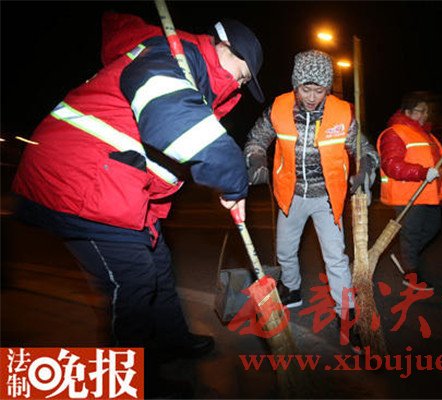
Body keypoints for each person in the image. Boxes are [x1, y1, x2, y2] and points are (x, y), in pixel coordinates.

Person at [11, 11, 264, 395]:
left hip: (116, 182)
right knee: (134, 282)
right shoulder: (174, 56)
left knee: (158, 264)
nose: (239, 85)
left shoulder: (197, 78)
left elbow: (159, 165)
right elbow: (170, 118)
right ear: (223, 46)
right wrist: (233, 181)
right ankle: (133, 383)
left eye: (244, 82)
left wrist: (152, 216)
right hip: (79, 178)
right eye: (241, 74)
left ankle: (173, 339)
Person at [243, 49, 379, 352]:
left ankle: (346, 316)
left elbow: (366, 150)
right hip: (290, 195)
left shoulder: (342, 113)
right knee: (285, 250)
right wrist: (256, 159)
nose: (313, 97)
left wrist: (365, 169)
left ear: (327, 88)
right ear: (296, 84)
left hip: (327, 198)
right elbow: (256, 140)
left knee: (336, 258)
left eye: (320, 90)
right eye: (306, 89)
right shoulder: (279, 108)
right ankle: (292, 289)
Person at [377, 92, 442, 289]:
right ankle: (410, 272)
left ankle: (406, 256)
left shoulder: (426, 135)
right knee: (411, 234)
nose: (425, 115)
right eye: (420, 111)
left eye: (427, 111)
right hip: (407, 194)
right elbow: (391, 164)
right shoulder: (395, 133)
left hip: (428, 194)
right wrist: (422, 172)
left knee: (433, 228)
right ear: (407, 112)